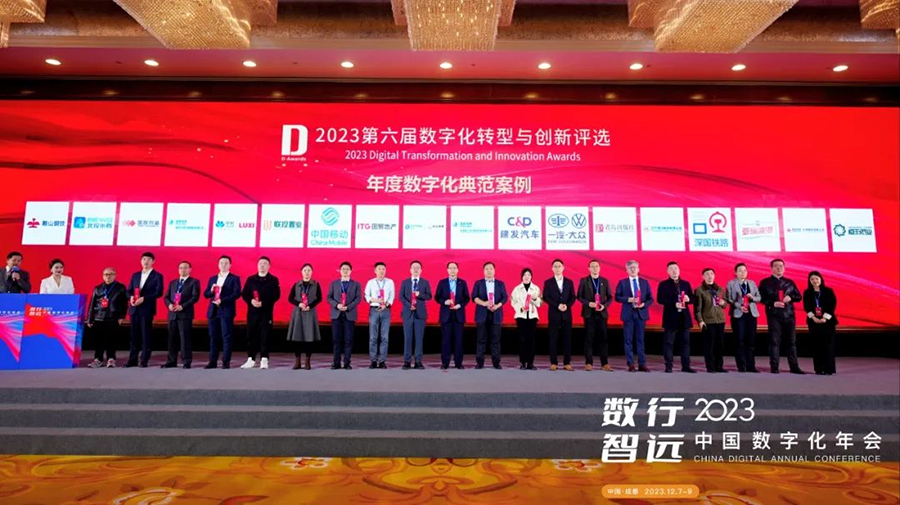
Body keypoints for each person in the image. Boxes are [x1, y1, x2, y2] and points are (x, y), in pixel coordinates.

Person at [759, 259, 805, 374]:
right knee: (774, 341)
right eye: (776, 266)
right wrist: (772, 303)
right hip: (774, 315)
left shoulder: (790, 282)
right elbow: (760, 298)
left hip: (789, 315)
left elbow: (799, 296)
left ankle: (794, 367)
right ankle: (774, 367)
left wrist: (791, 297)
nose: (779, 268)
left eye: (781, 266)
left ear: (784, 268)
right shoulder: (765, 282)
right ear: (771, 268)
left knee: (791, 342)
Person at [240, 256, 281, 370]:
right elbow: (245, 294)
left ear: (269, 266)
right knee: (251, 335)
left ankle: (264, 358)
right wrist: (251, 301)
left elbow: (276, 295)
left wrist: (264, 303)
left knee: (265, 335)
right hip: (252, 312)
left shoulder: (273, 280)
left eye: (265, 263)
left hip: (266, 312)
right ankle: (251, 359)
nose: (262, 265)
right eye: (260, 263)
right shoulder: (251, 279)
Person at [656, 261, 696, 373]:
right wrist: (674, 303)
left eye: (676, 268)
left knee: (685, 343)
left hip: (684, 317)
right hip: (670, 317)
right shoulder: (663, 284)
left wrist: (688, 299)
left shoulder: (686, 284)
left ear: (679, 270)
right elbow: (660, 299)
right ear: (667, 271)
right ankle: (668, 366)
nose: (674, 271)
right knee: (668, 343)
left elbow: (693, 299)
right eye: (671, 269)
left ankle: (686, 366)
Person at [125, 252, 164, 368]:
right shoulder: (135, 275)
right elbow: (129, 290)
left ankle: (144, 360)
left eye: (148, 260)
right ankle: (132, 359)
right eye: (144, 259)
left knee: (145, 335)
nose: (145, 262)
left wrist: (145, 298)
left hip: (146, 309)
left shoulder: (157, 276)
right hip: (134, 308)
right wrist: (131, 297)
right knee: (133, 335)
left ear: (153, 261)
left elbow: (159, 292)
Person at [203, 255, 241, 369]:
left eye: (226, 263)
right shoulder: (212, 278)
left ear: (230, 265)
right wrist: (211, 291)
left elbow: (237, 293)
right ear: (218, 265)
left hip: (226, 310)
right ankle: (212, 361)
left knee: (226, 336)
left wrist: (223, 300)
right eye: (221, 263)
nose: (223, 265)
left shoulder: (234, 278)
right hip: (213, 310)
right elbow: (206, 294)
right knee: (213, 336)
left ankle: (226, 361)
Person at [615, 260, 653, 372]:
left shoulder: (645, 282)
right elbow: (617, 297)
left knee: (640, 340)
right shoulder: (622, 282)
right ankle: (630, 364)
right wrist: (629, 299)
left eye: (635, 267)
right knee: (628, 340)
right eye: (630, 268)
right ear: (626, 270)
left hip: (641, 314)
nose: (633, 269)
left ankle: (642, 364)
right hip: (628, 314)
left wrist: (644, 304)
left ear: (638, 269)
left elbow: (650, 299)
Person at [85, 268, 127, 368]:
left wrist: (121, 316)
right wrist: (90, 318)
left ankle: (111, 359)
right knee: (99, 340)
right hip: (99, 317)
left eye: (111, 274)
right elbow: (92, 304)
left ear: (115, 275)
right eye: (106, 274)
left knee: (111, 340)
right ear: (103, 276)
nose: (108, 276)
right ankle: (98, 360)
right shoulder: (98, 288)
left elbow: (124, 304)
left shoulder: (120, 287)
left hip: (113, 317)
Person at [162, 261, 201, 369]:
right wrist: (169, 305)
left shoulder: (194, 282)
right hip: (172, 314)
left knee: (185, 338)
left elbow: (195, 297)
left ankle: (186, 361)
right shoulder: (173, 282)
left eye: (185, 267)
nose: (183, 270)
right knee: (171, 338)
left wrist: (182, 306)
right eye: (180, 268)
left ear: (190, 269)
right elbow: (166, 297)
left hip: (185, 314)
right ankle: (171, 360)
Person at [577, 259, 613, 371]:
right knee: (589, 338)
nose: (594, 268)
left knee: (603, 339)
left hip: (602, 314)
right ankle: (588, 362)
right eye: (592, 266)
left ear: (599, 268)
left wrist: (604, 305)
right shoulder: (584, 281)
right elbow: (579, 296)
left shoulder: (605, 281)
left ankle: (604, 363)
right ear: (589, 268)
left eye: (596, 266)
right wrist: (589, 303)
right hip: (589, 314)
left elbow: (610, 297)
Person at [725, 263, 761, 373]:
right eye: (740, 270)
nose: (743, 272)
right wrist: (738, 306)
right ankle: (741, 366)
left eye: (745, 270)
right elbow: (728, 298)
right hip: (738, 314)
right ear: (735, 272)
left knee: (751, 341)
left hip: (751, 314)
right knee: (739, 341)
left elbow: (759, 297)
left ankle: (751, 366)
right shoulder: (731, 283)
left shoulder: (752, 283)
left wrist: (753, 297)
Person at [472, 261, 508, 370]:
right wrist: (484, 303)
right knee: (481, 339)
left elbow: (505, 297)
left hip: (496, 314)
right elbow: (474, 297)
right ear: (483, 271)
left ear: (494, 270)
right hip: (482, 314)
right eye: (486, 269)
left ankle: (496, 362)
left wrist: (497, 305)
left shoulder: (500, 283)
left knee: (495, 340)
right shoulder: (478, 283)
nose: (489, 271)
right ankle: (479, 362)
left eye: (491, 269)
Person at [435, 261, 470, 370]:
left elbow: (467, 298)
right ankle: (445, 363)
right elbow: (437, 297)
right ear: (447, 270)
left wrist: (459, 305)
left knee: (458, 340)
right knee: (446, 340)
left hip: (458, 315)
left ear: (458, 270)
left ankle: (458, 363)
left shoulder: (462, 283)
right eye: (450, 268)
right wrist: (445, 301)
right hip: (446, 315)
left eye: (454, 268)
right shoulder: (442, 282)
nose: (452, 270)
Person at [286, 263, 321, 370]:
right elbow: (290, 298)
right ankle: (297, 361)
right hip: (298, 313)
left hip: (310, 313)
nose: (307, 272)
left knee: (309, 338)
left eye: (309, 270)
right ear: (301, 272)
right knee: (297, 337)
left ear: (312, 272)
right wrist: (299, 304)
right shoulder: (296, 285)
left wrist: (310, 306)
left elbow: (319, 298)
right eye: (305, 270)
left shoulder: (316, 284)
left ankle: (307, 361)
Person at [327, 261, 362, 370]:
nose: (345, 271)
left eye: (347, 269)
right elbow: (329, 297)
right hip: (336, 314)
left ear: (351, 271)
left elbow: (358, 298)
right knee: (336, 340)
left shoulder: (356, 284)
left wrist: (348, 307)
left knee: (348, 340)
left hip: (349, 314)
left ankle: (347, 363)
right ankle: (336, 362)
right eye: (343, 269)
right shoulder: (334, 283)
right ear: (340, 271)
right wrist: (337, 305)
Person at [543, 259, 576, 371]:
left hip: (566, 314)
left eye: (559, 266)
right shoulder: (548, 282)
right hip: (554, 314)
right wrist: (557, 305)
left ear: (563, 268)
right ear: (552, 269)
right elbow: (546, 297)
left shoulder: (569, 282)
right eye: (555, 266)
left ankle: (567, 363)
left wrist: (567, 305)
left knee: (567, 339)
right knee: (553, 339)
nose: (557, 268)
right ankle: (553, 362)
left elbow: (573, 296)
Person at [803, 271, 838, 375]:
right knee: (816, 346)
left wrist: (825, 318)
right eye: (812, 279)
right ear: (809, 281)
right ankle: (818, 369)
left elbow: (832, 305)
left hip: (828, 322)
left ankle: (828, 369)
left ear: (821, 279)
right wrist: (813, 317)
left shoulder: (828, 291)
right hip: (813, 322)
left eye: (816, 279)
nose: (815, 281)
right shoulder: (807, 292)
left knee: (828, 345)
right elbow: (806, 306)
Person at [399, 260, 431, 370]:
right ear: (410, 270)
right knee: (407, 338)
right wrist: (409, 305)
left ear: (421, 270)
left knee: (419, 338)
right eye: (414, 267)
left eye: (418, 268)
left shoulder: (425, 282)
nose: (416, 269)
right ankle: (407, 361)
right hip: (408, 313)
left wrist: (419, 294)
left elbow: (429, 296)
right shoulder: (405, 282)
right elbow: (401, 296)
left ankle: (418, 361)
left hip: (420, 314)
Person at [694, 268, 728, 373]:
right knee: (709, 345)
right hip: (708, 321)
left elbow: (725, 303)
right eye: (707, 274)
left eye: (712, 274)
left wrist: (723, 303)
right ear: (703, 277)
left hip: (720, 320)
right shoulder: (699, 290)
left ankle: (719, 366)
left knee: (720, 345)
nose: (710, 276)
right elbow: (697, 308)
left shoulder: (721, 289)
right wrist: (700, 321)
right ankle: (710, 366)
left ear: (714, 275)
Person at [365, 262, 394, 369]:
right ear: (375, 271)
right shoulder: (370, 282)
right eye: (379, 269)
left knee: (384, 337)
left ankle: (382, 361)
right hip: (374, 310)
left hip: (386, 310)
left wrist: (385, 305)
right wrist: (376, 300)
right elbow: (366, 296)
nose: (381, 271)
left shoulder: (390, 282)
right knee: (373, 337)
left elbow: (391, 296)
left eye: (383, 269)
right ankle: (373, 360)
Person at [511, 268, 541, 370]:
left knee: (531, 340)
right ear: (522, 277)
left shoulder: (535, 288)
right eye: (525, 275)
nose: (527, 277)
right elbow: (513, 302)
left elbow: (539, 304)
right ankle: (523, 362)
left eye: (528, 275)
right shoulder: (517, 289)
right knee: (522, 340)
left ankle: (530, 363)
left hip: (532, 317)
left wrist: (535, 298)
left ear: (531, 277)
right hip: (521, 316)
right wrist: (520, 308)